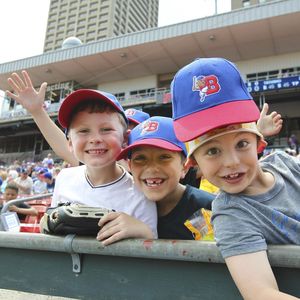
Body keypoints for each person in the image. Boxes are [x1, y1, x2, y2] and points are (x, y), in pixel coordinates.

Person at [171, 57, 299, 299]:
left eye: (241, 143)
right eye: (212, 150)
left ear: (259, 142)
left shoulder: (286, 164)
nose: (231, 162)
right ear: (194, 162)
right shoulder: (231, 214)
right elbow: (261, 293)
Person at [7, 74, 157, 245]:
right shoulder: (65, 177)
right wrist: (37, 111)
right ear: (70, 143)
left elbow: (153, 250)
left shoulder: (140, 193)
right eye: (83, 131)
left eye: (106, 129)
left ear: (124, 139)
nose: (94, 139)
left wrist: (143, 231)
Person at [116, 116, 214, 239]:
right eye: (140, 158)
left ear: (184, 166)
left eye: (164, 157)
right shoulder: (123, 206)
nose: (151, 168)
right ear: (130, 166)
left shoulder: (211, 208)